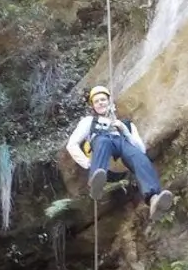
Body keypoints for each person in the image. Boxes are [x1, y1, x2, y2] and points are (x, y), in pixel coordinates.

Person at [66, 85, 173, 219]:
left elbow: (141, 150)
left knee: (138, 156)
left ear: (110, 102)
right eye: (97, 101)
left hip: (122, 158)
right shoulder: (89, 122)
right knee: (102, 140)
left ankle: (154, 199)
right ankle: (96, 182)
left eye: (103, 100)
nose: (100, 103)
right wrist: (87, 164)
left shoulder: (126, 124)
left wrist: (125, 131)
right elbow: (72, 144)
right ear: (93, 106)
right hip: (102, 159)